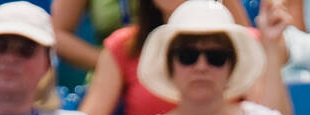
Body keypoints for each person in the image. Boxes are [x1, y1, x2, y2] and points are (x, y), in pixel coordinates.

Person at [81, 0, 294, 115]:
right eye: (186, 55)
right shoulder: (124, 46)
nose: (201, 66)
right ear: (167, 63)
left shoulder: (244, 42)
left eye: (216, 56)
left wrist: (271, 48)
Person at [50, 0, 251, 75]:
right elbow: (55, 33)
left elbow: (247, 40)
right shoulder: (122, 44)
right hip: (119, 69)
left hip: (200, 71)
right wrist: (119, 64)